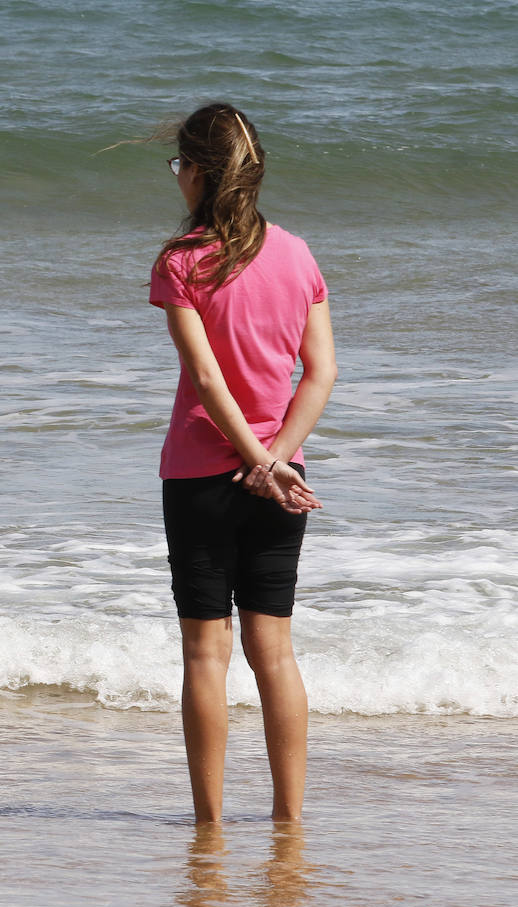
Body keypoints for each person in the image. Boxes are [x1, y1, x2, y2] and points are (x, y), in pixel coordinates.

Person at [150, 104, 337, 823]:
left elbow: (205, 379)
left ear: (197, 172)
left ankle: (210, 828)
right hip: (281, 481)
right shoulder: (297, 254)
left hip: (201, 473)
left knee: (206, 654)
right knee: (276, 652)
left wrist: (256, 459)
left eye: (179, 168)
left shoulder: (181, 260)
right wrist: (278, 460)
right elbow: (319, 373)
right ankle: (289, 823)